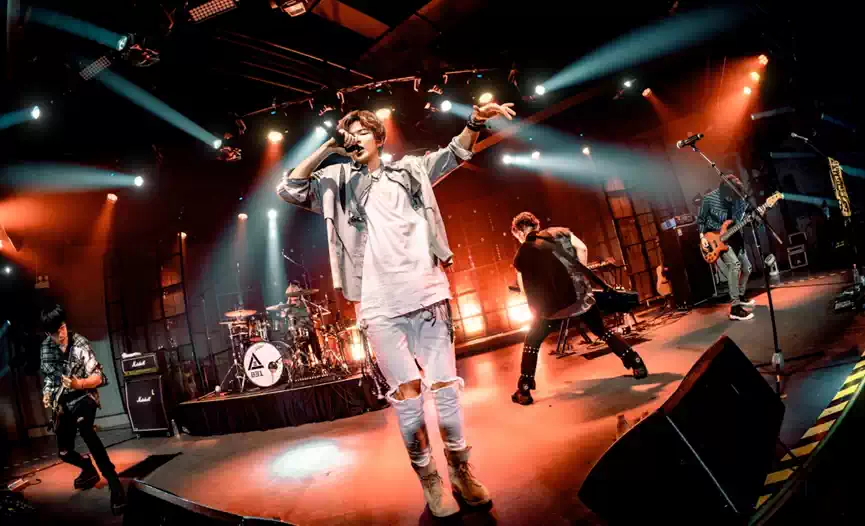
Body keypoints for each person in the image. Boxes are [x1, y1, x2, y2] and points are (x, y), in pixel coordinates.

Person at [277, 102, 515, 517]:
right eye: (348, 133)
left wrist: (476, 120)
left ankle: (460, 470)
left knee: (446, 391)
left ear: (379, 137)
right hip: (379, 306)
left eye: (361, 132)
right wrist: (329, 147)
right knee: (408, 398)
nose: (354, 138)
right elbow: (290, 188)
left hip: (427, 293)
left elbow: (457, 152)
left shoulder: (411, 169)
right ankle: (430, 480)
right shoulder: (336, 180)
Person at [510, 212, 649, 406]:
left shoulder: (523, 252)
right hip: (580, 299)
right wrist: (579, 279)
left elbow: (525, 288)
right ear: (536, 225)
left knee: (532, 341)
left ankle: (524, 390)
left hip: (552, 310)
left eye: (517, 236)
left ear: (519, 231)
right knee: (602, 330)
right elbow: (582, 248)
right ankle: (636, 363)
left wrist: (537, 307)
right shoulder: (559, 232)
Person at [40, 305, 125, 515]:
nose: (61, 335)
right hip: (62, 402)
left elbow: (99, 377)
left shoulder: (80, 343)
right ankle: (87, 468)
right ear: (47, 334)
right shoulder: (45, 348)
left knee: (86, 430)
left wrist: (79, 384)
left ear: (65, 324)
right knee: (64, 452)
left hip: (84, 396)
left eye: (62, 328)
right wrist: (47, 393)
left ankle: (114, 483)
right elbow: (49, 377)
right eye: (55, 332)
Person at [697, 175, 756, 321]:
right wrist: (702, 237)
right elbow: (701, 220)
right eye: (729, 195)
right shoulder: (709, 199)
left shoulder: (739, 199)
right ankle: (735, 308)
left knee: (747, 268)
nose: (731, 198)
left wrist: (751, 220)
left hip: (734, 236)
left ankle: (740, 295)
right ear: (723, 190)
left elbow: (739, 220)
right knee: (734, 265)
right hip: (715, 240)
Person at [281, 281, 322, 361]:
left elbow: (310, 315)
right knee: (301, 347)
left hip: (308, 328)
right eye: (292, 296)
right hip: (298, 331)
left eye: (296, 295)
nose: (294, 298)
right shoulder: (288, 305)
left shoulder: (303, 303)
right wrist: (284, 312)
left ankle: (320, 360)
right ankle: (305, 363)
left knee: (314, 341)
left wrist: (311, 315)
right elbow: (284, 316)